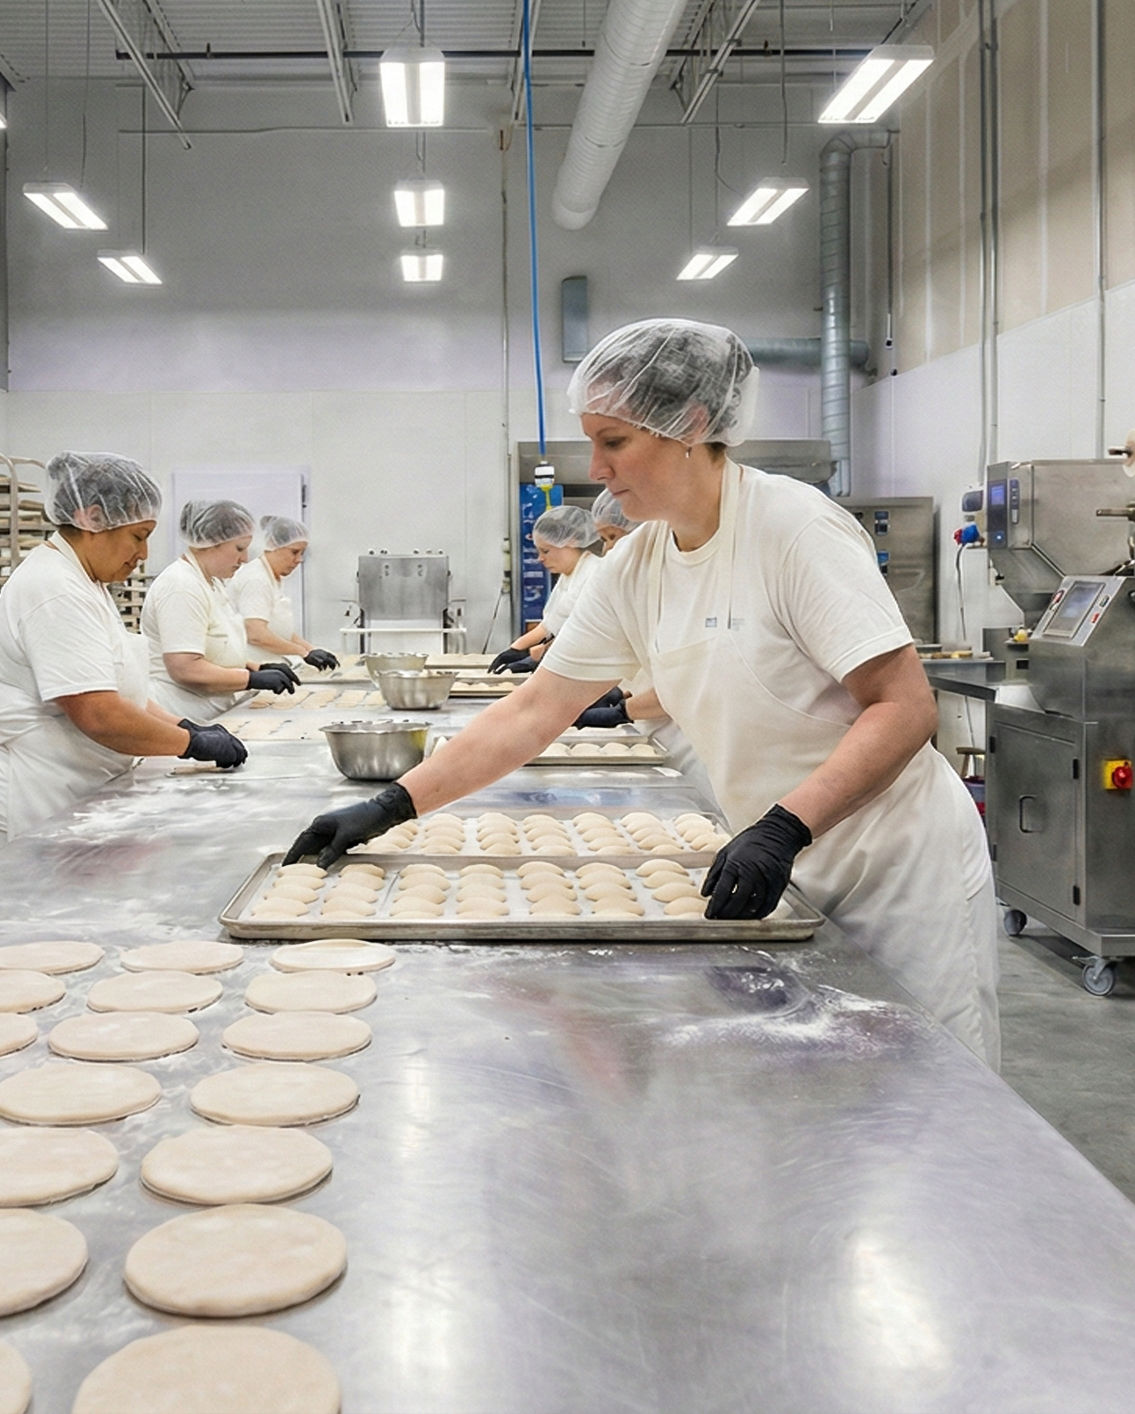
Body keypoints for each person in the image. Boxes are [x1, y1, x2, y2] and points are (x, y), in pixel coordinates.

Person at [287, 320, 998, 1067]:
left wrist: (786, 824)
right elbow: (536, 710)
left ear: (690, 425)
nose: (597, 467)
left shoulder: (792, 529)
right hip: (789, 857)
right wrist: (392, 805)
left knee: (922, 1086)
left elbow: (905, 706)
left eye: (614, 442)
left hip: (895, 861)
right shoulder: (642, 563)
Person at [0, 453, 249, 862]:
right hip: (30, 801)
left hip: (67, 789)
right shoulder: (55, 589)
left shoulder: (84, 580)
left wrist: (184, 724)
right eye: (138, 536)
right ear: (94, 518)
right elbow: (97, 712)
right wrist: (188, 743)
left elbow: (114, 691)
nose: (145, 553)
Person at [145, 498, 302, 722]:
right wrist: (250, 679)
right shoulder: (181, 586)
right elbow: (185, 669)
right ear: (209, 543)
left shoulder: (212, 583)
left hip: (215, 712)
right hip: (184, 716)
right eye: (239, 548)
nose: (245, 558)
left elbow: (217, 645)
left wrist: (255, 667)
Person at [488, 504, 604, 676]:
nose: (540, 558)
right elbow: (551, 623)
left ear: (571, 541)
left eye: (546, 551)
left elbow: (581, 631)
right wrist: (517, 648)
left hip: (595, 669)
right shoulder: (569, 575)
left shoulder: (593, 573)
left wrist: (536, 654)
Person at [231, 514, 340, 672]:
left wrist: (311, 649)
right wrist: (303, 653)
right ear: (273, 546)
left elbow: (281, 631)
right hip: (256, 671)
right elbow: (255, 633)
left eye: (302, 553)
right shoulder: (256, 579)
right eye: (294, 552)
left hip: (272, 667)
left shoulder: (272, 577)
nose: (299, 559)